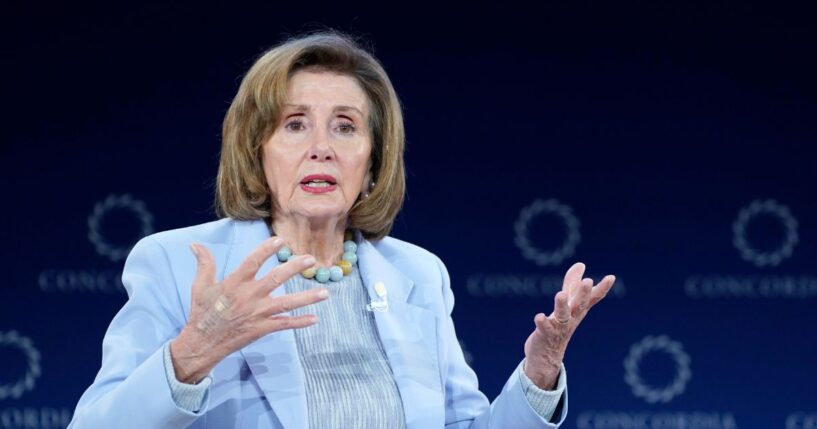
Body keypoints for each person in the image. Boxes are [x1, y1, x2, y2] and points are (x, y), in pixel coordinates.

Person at [69, 31, 615, 429]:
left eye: (346, 127)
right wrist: (191, 354)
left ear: (373, 161)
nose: (322, 147)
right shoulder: (176, 262)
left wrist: (539, 373)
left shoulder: (418, 273)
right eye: (294, 123)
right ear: (256, 151)